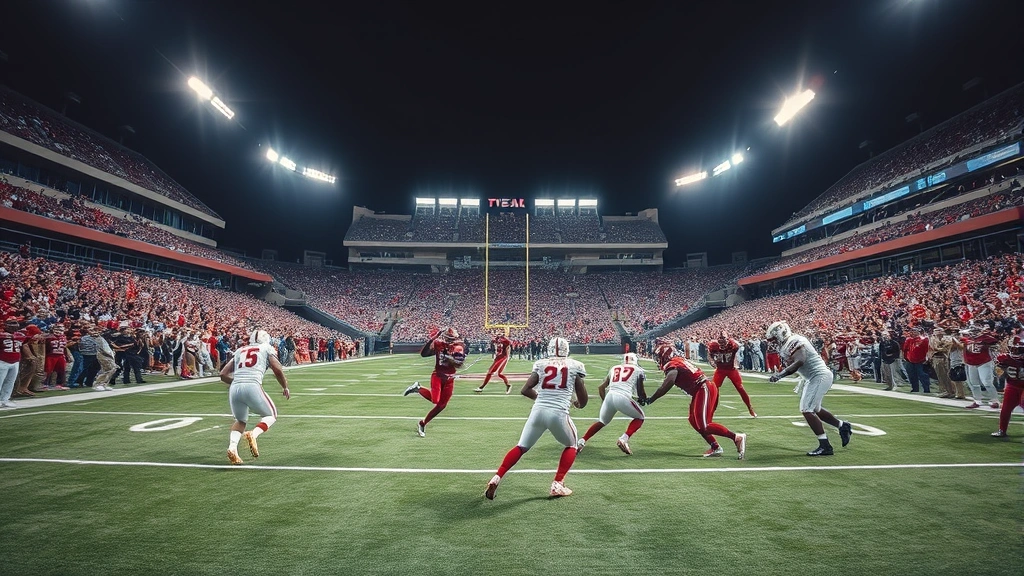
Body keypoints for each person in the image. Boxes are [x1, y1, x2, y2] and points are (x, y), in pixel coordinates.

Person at [484, 336, 588, 499]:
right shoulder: (575, 366)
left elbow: (525, 390)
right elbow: (583, 400)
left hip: (538, 410)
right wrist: (578, 404)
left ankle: (497, 477)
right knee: (572, 445)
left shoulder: (541, 364)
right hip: (558, 412)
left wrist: (541, 399)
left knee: (521, 447)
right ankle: (558, 483)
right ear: (567, 349)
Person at [644, 339, 746, 459]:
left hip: (703, 388)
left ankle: (736, 437)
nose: (657, 359)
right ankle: (715, 446)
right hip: (702, 389)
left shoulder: (672, 364)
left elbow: (669, 382)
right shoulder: (678, 360)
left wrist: (652, 398)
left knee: (705, 425)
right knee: (693, 420)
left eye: (658, 356)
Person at [767, 321, 852, 456]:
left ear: (782, 333)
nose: (774, 342)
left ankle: (825, 446)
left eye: (775, 339)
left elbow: (800, 360)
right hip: (812, 377)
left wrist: (781, 375)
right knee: (815, 409)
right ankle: (842, 426)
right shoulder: (786, 344)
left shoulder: (795, 340)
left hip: (819, 375)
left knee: (807, 409)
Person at [219, 329, 290, 465]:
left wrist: (236, 383)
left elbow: (223, 374)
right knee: (271, 415)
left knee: (240, 420)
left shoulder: (240, 350)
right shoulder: (266, 348)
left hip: (235, 387)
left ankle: (232, 448)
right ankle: (254, 434)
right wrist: (284, 386)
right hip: (252, 385)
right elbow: (277, 369)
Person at [576, 352, 646, 455]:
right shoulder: (638, 370)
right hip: (623, 396)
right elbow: (641, 392)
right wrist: (643, 399)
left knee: (602, 421)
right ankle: (623, 439)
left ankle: (581, 441)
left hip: (610, 395)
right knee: (640, 417)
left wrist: (606, 403)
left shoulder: (615, 368)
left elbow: (601, 387)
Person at [403, 327, 465, 437]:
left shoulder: (459, 347)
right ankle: (418, 388)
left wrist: (451, 358)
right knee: (435, 400)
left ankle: (423, 423)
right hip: (438, 376)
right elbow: (424, 354)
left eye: (452, 339)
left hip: (450, 379)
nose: (451, 341)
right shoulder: (438, 344)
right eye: (449, 339)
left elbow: (459, 363)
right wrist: (433, 339)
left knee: (442, 405)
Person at [706, 331, 757, 417]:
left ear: (727, 339)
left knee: (740, 387)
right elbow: (709, 355)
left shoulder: (733, 345)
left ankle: (750, 407)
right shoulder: (713, 346)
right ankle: (712, 410)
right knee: (714, 389)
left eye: (724, 339)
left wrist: (736, 362)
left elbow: (738, 350)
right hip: (720, 369)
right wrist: (712, 361)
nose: (722, 343)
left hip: (731, 369)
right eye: (720, 340)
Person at [960, 324, 1001, 409]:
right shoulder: (967, 339)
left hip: (984, 362)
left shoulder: (985, 338)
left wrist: (981, 341)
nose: (972, 333)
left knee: (987, 382)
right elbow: (963, 347)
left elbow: (995, 341)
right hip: (971, 363)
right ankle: (977, 401)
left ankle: (995, 400)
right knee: (973, 383)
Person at [991, 335, 1024, 437]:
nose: (1014, 352)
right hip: (1012, 384)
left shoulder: (1011, 359)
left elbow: (1019, 364)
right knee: (1005, 408)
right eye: (1013, 349)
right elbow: (1001, 374)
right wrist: (1001, 366)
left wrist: (1011, 361)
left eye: (1017, 350)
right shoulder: (1008, 358)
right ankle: (1002, 430)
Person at [0, 318, 26, 408]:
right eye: (12, 323)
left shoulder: (20, 335)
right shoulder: (2, 335)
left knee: (10, 382)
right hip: (2, 360)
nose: (14, 325)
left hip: (15, 361)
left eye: (15, 323)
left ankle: (5, 399)